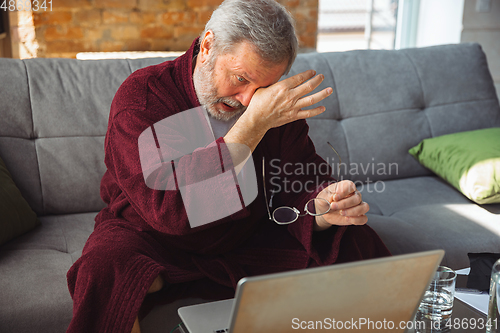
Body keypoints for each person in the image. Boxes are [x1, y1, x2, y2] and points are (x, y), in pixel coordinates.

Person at [66, 1, 390, 332]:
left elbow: (302, 176)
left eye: (262, 88)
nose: (248, 99)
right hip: (153, 237)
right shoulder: (144, 98)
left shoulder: (272, 105)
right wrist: (253, 126)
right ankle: (157, 277)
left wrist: (320, 209)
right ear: (207, 46)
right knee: (104, 268)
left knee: (356, 238)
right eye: (240, 78)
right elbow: (169, 209)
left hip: (247, 234)